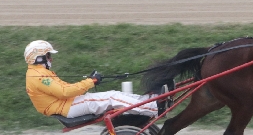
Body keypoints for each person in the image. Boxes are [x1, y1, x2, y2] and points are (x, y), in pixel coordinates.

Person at [24, 40, 159, 118]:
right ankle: (153, 107)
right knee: (111, 97)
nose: (51, 59)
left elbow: (65, 89)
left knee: (114, 95)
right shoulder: (38, 76)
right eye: (48, 56)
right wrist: (91, 81)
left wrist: (89, 81)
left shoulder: (39, 73)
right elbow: (64, 92)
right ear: (39, 57)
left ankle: (147, 101)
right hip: (66, 108)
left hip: (68, 105)